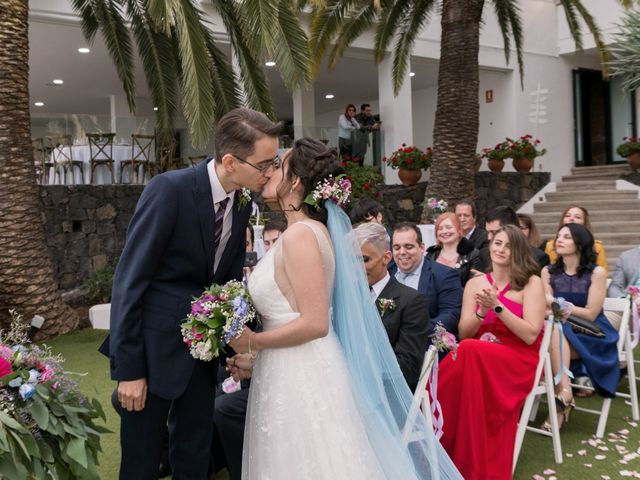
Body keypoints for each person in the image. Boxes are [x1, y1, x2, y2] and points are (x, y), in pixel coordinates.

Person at [228, 138, 461, 479]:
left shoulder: (300, 236)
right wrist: (256, 356)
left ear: (295, 182)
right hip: (287, 365)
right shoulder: (309, 231)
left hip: (303, 373)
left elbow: (315, 322)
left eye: (278, 166)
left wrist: (255, 342)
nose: (268, 173)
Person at [100, 107, 282, 479]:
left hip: (202, 360)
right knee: (141, 462)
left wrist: (233, 347)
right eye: (264, 164)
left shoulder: (243, 202)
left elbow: (227, 288)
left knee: (194, 457)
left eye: (273, 162)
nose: (270, 172)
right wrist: (130, 371)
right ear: (230, 161)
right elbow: (129, 281)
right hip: (151, 357)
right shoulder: (169, 189)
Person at [436, 225, 546, 479]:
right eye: (497, 243)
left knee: (468, 350)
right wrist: (481, 311)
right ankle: (444, 436)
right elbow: (464, 331)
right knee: (468, 348)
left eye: (508, 245)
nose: (501, 249)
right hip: (479, 360)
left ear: (518, 250)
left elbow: (530, 334)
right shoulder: (475, 284)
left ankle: (434, 417)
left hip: (516, 359)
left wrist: (497, 307)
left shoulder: (532, 283)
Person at [542, 223, 620, 422]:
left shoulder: (596, 273)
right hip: (558, 333)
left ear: (580, 243)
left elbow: (591, 314)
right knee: (555, 330)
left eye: (566, 237)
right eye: (559, 236)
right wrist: (554, 308)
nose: (559, 240)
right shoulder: (548, 272)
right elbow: (544, 308)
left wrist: (558, 304)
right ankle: (565, 393)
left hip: (591, 334)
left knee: (553, 333)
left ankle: (563, 399)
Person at [354, 221, 430, 391]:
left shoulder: (412, 301)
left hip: (384, 394)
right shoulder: (347, 297)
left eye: (365, 260)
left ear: (386, 258)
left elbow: (407, 367)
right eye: (352, 260)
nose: (357, 268)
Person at [391, 222, 463, 337]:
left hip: (425, 343)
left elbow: (451, 315)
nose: (402, 252)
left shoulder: (445, 275)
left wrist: (416, 331)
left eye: (408, 246)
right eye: (397, 247)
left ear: (422, 247)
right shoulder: (387, 273)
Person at [481, 205, 549, 271]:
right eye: (487, 232)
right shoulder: (483, 255)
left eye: (494, 232)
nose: (489, 237)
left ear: (512, 228)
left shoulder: (537, 258)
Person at [542, 204, 608, 270]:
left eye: (577, 217)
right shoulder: (550, 245)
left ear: (584, 222)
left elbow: (602, 273)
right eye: (567, 216)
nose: (571, 219)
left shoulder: (596, 247)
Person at [426, 212, 482, 286]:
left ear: (459, 230)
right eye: (440, 228)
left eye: (449, 227)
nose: (444, 231)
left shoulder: (473, 255)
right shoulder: (431, 255)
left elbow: (474, 285)